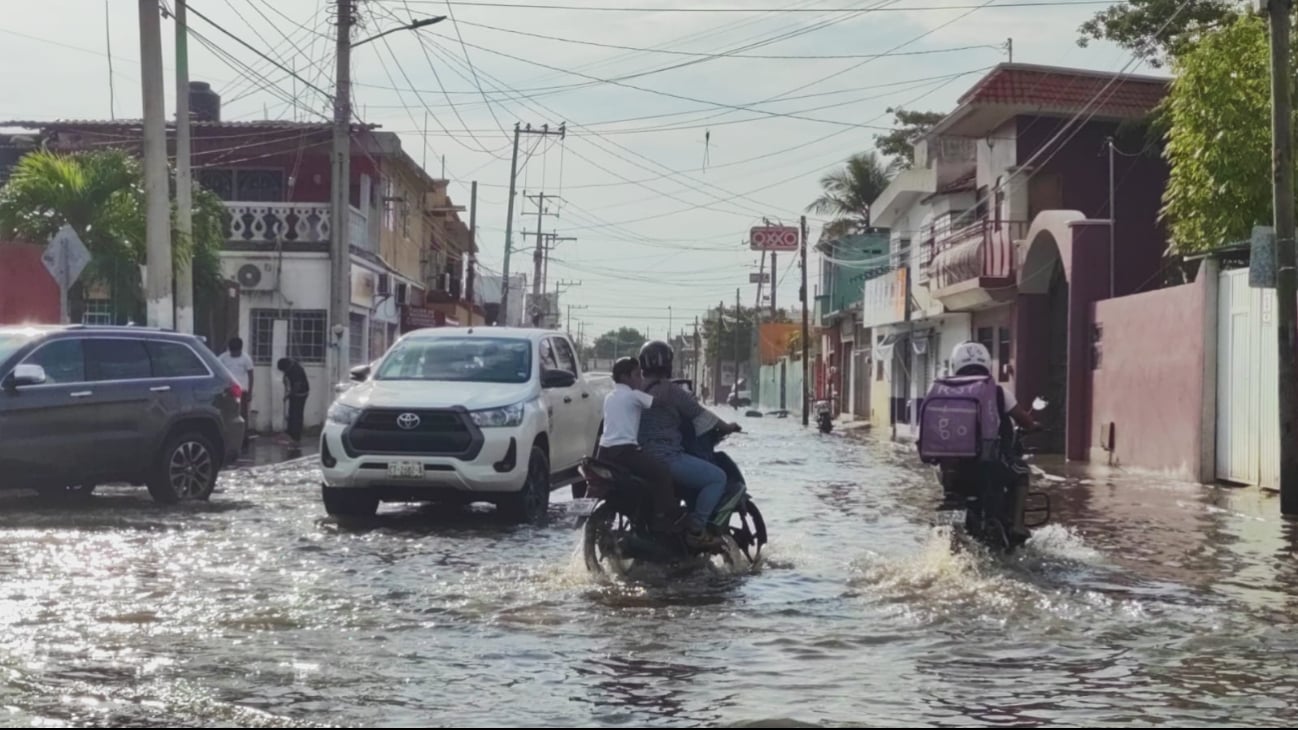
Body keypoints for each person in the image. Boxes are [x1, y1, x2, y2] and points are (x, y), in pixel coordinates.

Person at [636, 341, 741, 547]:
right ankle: (697, 529)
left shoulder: (634, 389)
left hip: (637, 457)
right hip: (665, 457)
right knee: (717, 478)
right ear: (667, 364)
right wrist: (727, 427)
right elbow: (699, 413)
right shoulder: (671, 390)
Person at [937, 341, 1037, 537]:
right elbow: (1024, 420)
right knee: (1022, 472)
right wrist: (1033, 426)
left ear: (955, 365)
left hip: (953, 470)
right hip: (990, 466)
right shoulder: (998, 392)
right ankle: (1017, 524)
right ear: (987, 364)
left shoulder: (943, 392)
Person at [596, 357, 681, 536]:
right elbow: (659, 403)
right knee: (663, 474)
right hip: (625, 452)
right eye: (637, 375)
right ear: (625, 377)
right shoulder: (634, 395)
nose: (641, 380)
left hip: (603, 453)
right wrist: (667, 386)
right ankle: (661, 522)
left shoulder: (609, 397)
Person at [218, 337, 255, 447]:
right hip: (227, 391)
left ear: (240, 349)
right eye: (232, 352)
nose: (234, 354)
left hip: (241, 391)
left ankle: (243, 438)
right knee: (227, 415)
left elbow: (251, 375)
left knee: (242, 415)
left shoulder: (246, 358)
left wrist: (249, 392)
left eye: (237, 352)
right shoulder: (223, 358)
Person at [277, 357, 310, 447]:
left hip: (300, 394)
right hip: (295, 393)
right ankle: (290, 433)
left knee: (296, 415)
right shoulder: (291, 365)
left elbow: (297, 386)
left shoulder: (296, 371)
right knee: (292, 414)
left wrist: (289, 395)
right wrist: (285, 378)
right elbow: (287, 375)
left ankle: (296, 437)